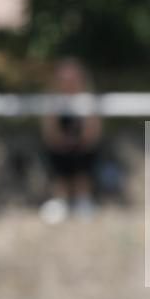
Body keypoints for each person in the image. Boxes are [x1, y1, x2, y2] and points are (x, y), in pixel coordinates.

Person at [39, 59, 103, 224]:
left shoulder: (88, 100)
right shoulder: (53, 101)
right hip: (60, 148)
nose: (68, 84)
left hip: (83, 148)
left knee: (84, 156)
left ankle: (83, 198)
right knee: (57, 156)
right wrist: (63, 140)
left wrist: (77, 141)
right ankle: (61, 200)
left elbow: (93, 134)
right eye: (64, 80)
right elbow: (49, 133)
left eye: (73, 79)